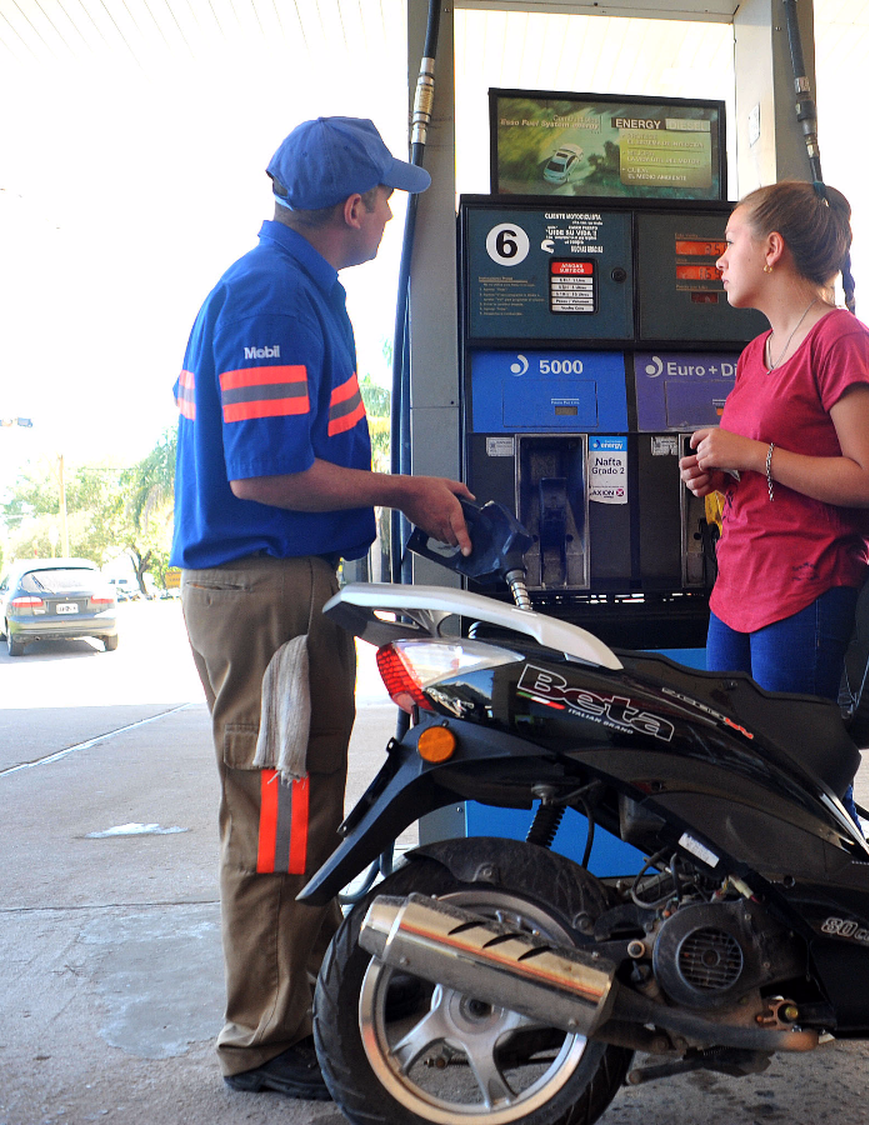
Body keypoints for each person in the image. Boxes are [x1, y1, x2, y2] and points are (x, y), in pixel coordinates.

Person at [171, 116, 472, 1100]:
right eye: (385, 195)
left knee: (302, 807)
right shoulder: (274, 295)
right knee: (278, 811)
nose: (391, 210)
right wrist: (405, 491)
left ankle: (302, 1000)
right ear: (355, 208)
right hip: (263, 590)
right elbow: (266, 476)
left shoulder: (296, 287)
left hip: (289, 589)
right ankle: (265, 1037)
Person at [679, 180, 869, 705]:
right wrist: (722, 472)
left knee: (800, 772)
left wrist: (753, 455)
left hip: (806, 589)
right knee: (739, 768)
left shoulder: (842, 340)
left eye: (731, 242)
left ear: (772, 249)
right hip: (736, 588)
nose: (720, 262)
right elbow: (770, 464)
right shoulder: (756, 352)